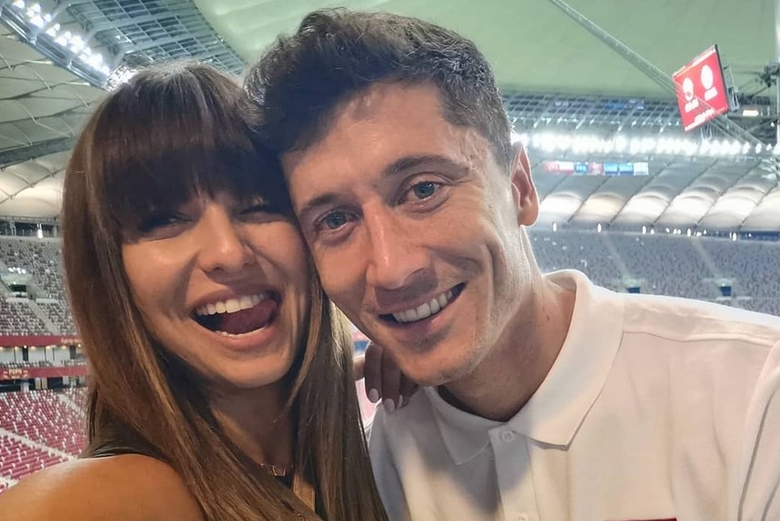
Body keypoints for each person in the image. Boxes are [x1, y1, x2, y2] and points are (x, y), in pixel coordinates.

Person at [247, 9, 780, 521]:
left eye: (424, 189)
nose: (390, 269)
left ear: (520, 187)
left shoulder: (755, 396)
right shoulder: (368, 468)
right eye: (336, 220)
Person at [0, 62, 388, 521]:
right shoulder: (94, 502)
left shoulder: (344, 453)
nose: (229, 253)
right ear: (107, 277)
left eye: (259, 205)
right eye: (164, 219)